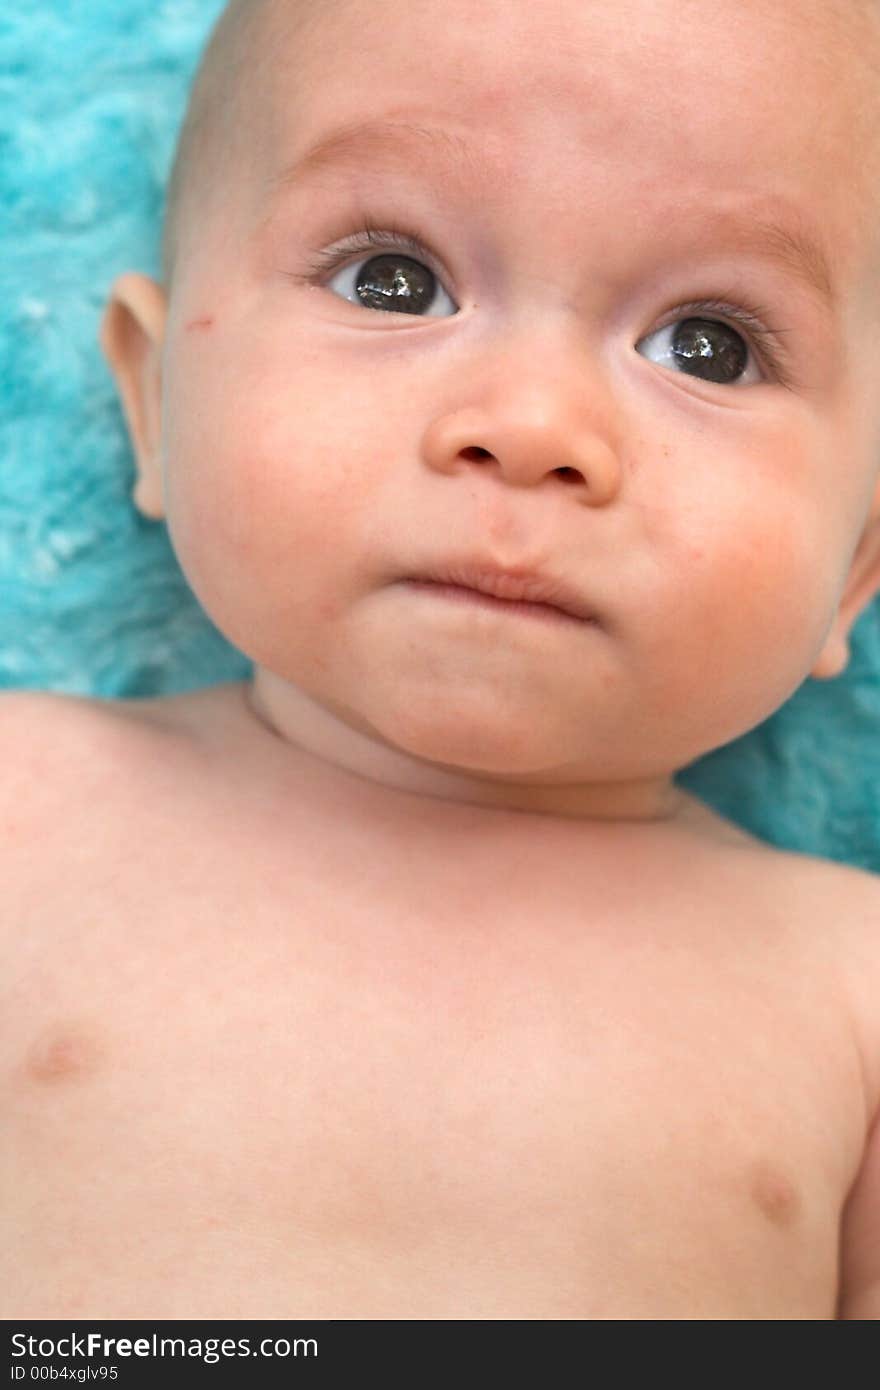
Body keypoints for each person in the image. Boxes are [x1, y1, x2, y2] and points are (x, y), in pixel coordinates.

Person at [3, 0, 880, 1319]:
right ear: (154, 405)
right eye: (392, 279)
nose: (532, 429)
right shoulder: (26, 807)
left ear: (856, 569)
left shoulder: (852, 994)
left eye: (711, 344)